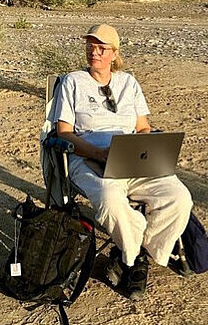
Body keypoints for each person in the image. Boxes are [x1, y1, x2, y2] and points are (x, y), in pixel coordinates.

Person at [51, 24, 193, 300]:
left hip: (131, 157)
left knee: (179, 198)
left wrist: (149, 148)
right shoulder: (73, 82)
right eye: (91, 46)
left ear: (114, 54)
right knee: (110, 200)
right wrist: (96, 153)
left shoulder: (128, 82)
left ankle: (142, 250)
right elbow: (64, 132)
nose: (95, 52)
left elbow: (143, 127)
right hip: (87, 157)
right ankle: (132, 258)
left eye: (102, 48)